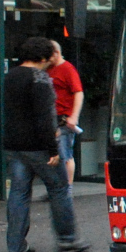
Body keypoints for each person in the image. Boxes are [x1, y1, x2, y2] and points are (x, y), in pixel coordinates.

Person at [3, 37, 89, 252]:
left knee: (19, 192)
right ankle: (68, 240)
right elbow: (45, 117)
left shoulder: (10, 75)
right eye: (50, 56)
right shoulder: (40, 78)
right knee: (59, 188)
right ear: (42, 57)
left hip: (14, 144)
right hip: (38, 146)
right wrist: (52, 149)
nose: (52, 60)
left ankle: (15, 245)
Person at [47, 41, 84, 185]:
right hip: (52, 117)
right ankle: (60, 187)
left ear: (56, 53)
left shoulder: (67, 69)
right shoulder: (48, 69)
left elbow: (78, 92)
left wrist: (74, 116)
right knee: (56, 154)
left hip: (64, 117)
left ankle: (67, 187)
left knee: (65, 154)